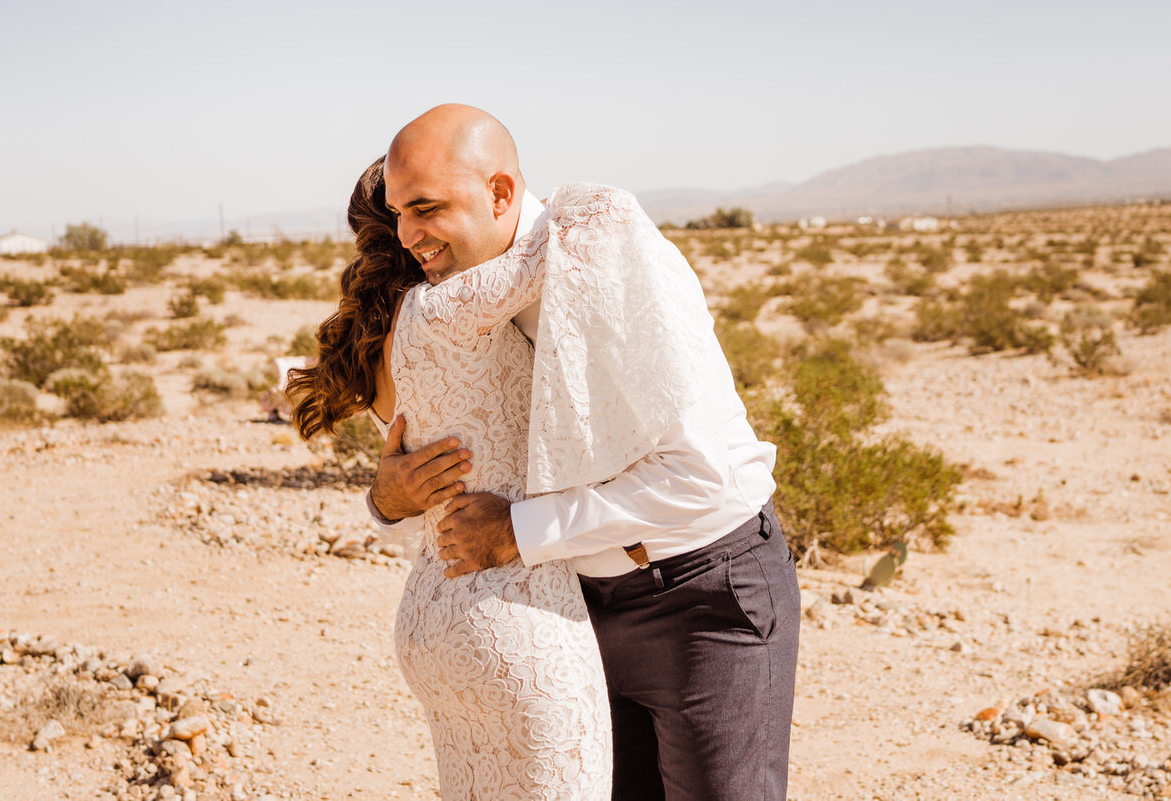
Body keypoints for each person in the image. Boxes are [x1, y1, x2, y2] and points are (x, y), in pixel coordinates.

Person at [374, 104, 801, 800]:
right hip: (582, 606)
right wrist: (389, 494)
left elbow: (697, 477)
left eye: (426, 207)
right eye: (398, 211)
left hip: (702, 595)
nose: (408, 234)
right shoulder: (474, 292)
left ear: (501, 192)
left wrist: (515, 531)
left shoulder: (609, 255)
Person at [287, 155, 611, 800]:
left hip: (431, 609)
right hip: (515, 612)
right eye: (418, 208)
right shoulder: (451, 306)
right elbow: (578, 231)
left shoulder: (380, 334)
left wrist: (382, 500)